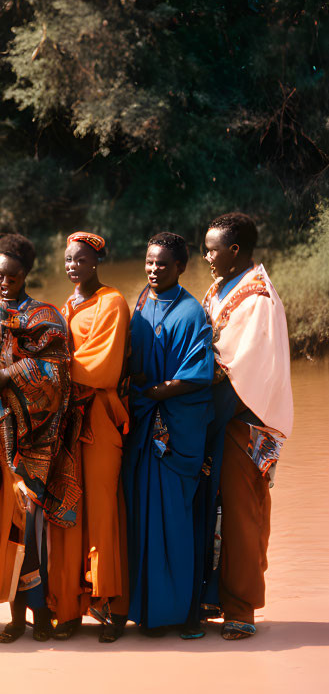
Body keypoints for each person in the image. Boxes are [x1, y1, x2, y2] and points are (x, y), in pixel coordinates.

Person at [0, 233, 76, 643]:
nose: (2, 282)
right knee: (8, 528)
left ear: (25, 273)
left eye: (10, 276)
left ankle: (42, 613)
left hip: (37, 438)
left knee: (32, 530)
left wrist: (9, 375)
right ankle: (15, 617)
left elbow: (58, 374)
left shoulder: (47, 316)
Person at [199, 213, 293, 640]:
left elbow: (243, 371)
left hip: (245, 420)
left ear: (235, 250)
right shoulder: (222, 287)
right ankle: (215, 597)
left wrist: (204, 418)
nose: (207, 256)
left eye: (213, 249)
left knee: (242, 515)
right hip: (220, 416)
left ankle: (242, 610)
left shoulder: (257, 298)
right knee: (215, 511)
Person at [123, 233, 214, 636]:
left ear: (180, 267)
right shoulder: (141, 301)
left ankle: (177, 613)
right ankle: (143, 610)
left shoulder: (191, 312)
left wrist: (157, 390)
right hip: (141, 425)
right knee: (139, 518)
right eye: (149, 261)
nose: (154, 269)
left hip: (174, 431)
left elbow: (198, 374)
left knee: (174, 523)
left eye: (162, 264)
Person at [47, 232, 131, 643]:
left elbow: (102, 366)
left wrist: (44, 372)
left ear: (97, 261)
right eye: (68, 259)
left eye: (80, 259)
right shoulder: (66, 304)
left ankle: (112, 608)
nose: (72, 266)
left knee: (102, 513)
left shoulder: (112, 303)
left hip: (97, 418)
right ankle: (69, 608)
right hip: (68, 423)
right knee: (69, 512)